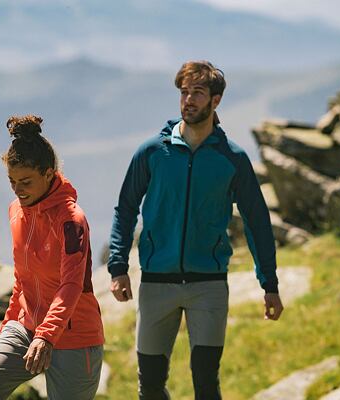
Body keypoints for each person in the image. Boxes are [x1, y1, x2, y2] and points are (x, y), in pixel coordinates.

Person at [108, 61, 284, 399]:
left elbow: (257, 222)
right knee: (150, 387)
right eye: (184, 92)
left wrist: (270, 285)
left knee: (206, 384)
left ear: (216, 101)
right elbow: (126, 208)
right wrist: (118, 267)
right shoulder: (152, 152)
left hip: (208, 285)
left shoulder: (232, 158)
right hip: (157, 283)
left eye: (198, 93)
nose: (188, 100)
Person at [0, 115, 104, 400]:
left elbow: (71, 284)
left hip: (75, 336)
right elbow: (23, 277)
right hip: (26, 327)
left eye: (25, 182)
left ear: (48, 174)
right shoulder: (16, 211)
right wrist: (7, 326)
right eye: (12, 181)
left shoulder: (71, 220)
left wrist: (46, 335)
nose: (18, 190)